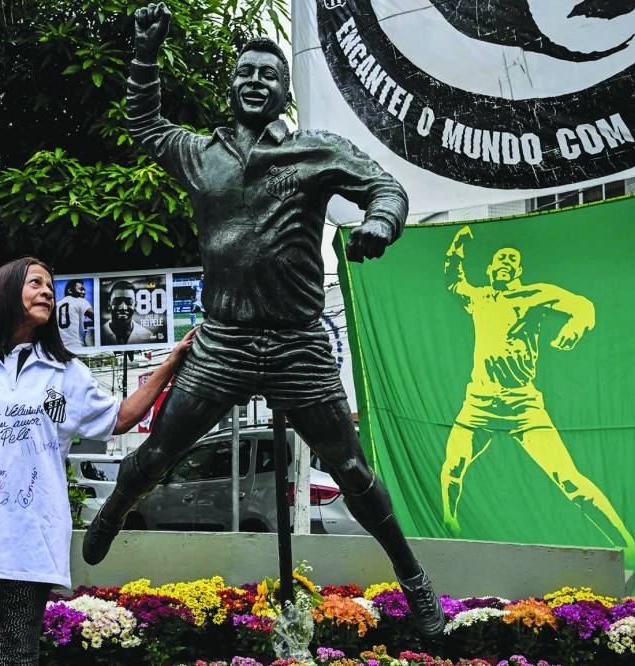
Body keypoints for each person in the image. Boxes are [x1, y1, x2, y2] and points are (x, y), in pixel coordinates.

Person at [82, 3, 446, 638]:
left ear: (284, 92)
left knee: (351, 470)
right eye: (245, 72)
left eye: (268, 74)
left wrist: (379, 224)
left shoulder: (315, 151)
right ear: (232, 86)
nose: (255, 81)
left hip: (296, 343)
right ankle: (115, 507)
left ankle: (413, 576)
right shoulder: (200, 154)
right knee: (160, 451)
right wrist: (144, 53)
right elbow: (144, 123)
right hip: (223, 341)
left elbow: (386, 188)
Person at [0, 257, 195, 665]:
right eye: (35, 283)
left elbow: (120, 418)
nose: (46, 292)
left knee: (18, 655)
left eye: (49, 286)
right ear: (6, 291)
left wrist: (171, 363)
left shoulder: (64, 372)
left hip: (31, 534)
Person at [439, 225, 635, 563]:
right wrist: (457, 247)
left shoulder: (534, 295)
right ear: (490, 270)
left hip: (523, 405)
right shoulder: (479, 298)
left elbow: (583, 306)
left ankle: (632, 550)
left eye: (512, 260)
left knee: (570, 481)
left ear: (518, 271)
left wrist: (575, 326)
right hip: (479, 403)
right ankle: (450, 524)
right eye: (500, 259)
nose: (505, 262)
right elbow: (453, 281)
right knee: (452, 468)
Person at [100, 279, 159, 345]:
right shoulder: (98, 334)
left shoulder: (148, 336)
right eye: (117, 301)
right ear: (109, 304)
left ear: (135, 305)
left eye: (129, 302)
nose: (123, 307)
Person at [56, 279, 93, 352]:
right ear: (70, 291)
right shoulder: (79, 300)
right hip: (76, 346)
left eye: (84, 290)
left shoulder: (56, 305)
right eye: (81, 289)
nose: (84, 292)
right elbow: (97, 318)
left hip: (59, 349)